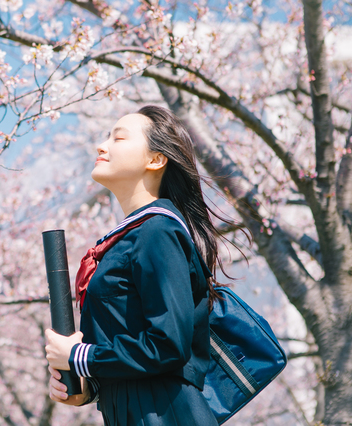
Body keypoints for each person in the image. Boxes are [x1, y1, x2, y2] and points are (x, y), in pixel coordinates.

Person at [44, 105, 241, 425]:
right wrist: (88, 387)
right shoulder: (131, 237)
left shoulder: (157, 231)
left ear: (155, 159)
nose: (102, 145)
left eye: (118, 138)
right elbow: (137, 350)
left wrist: (80, 356)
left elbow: (167, 345)